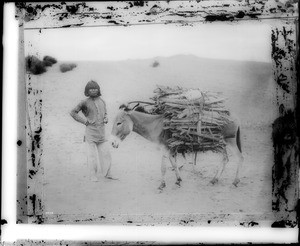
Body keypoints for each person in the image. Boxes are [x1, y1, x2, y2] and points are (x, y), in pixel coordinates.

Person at [70, 80, 116, 182]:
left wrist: (106, 118)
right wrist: (84, 121)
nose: (93, 90)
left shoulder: (102, 101)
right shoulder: (84, 102)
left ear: (98, 90)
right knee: (92, 157)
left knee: (106, 154)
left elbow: (105, 113)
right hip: (90, 133)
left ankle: (108, 173)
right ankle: (92, 175)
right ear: (87, 91)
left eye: (95, 88)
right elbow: (73, 112)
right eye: (91, 89)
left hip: (101, 133)